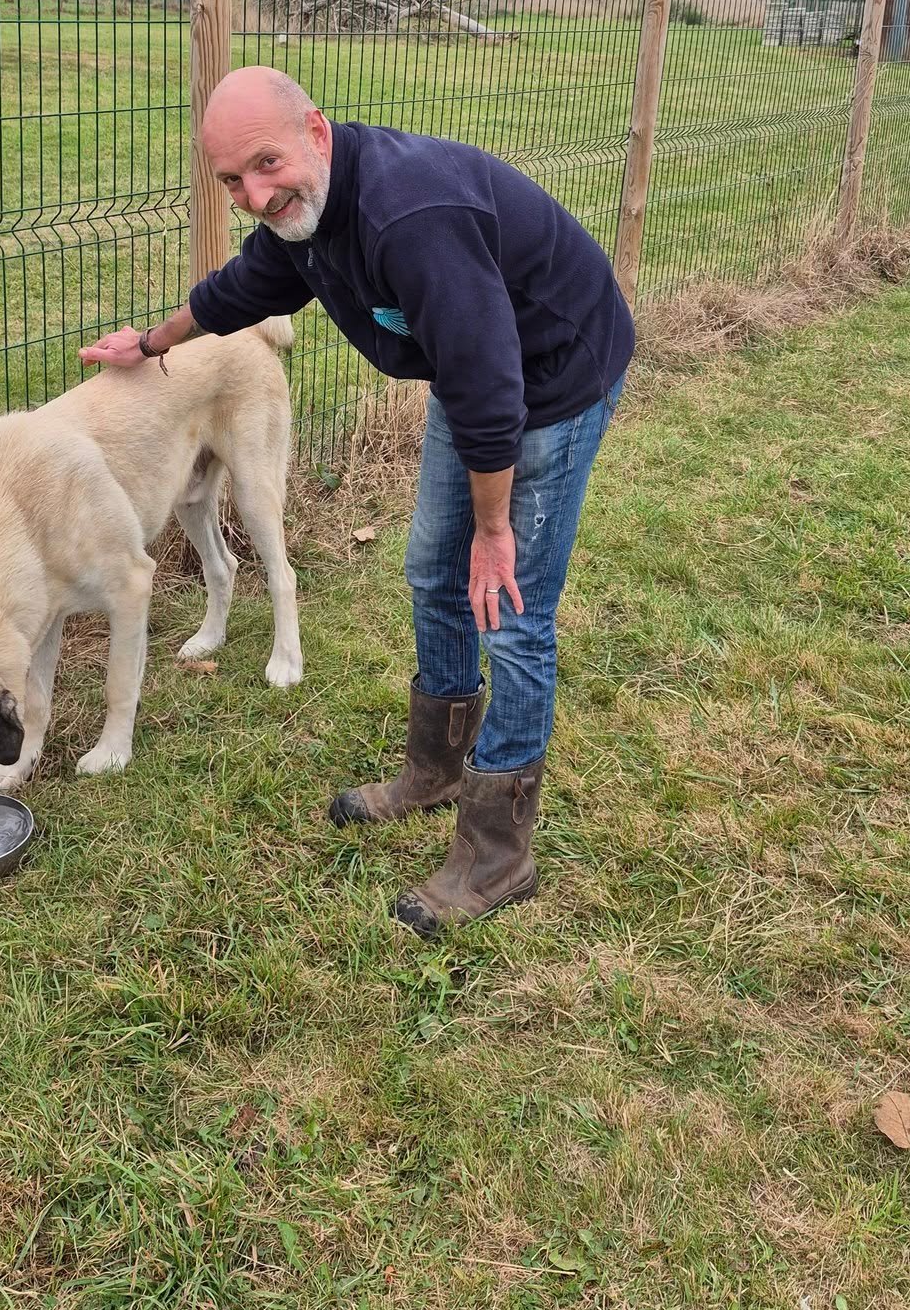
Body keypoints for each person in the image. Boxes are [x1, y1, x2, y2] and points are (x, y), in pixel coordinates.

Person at [80, 66, 633, 934]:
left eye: (265, 163)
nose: (255, 194)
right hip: (472, 374)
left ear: (318, 133)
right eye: (232, 180)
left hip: (555, 372)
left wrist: (495, 530)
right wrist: (149, 343)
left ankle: (499, 853)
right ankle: (436, 766)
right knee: (429, 571)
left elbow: (493, 393)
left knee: (512, 608)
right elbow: (247, 286)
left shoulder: (411, 217)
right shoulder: (312, 211)